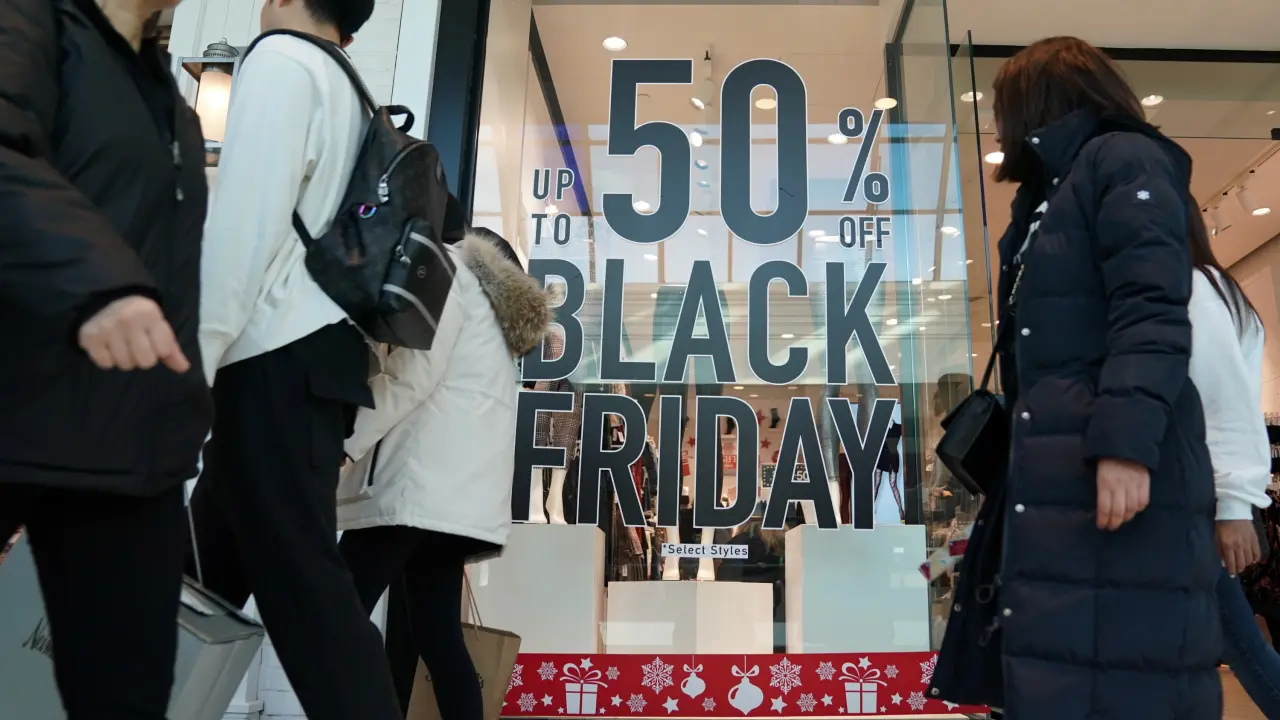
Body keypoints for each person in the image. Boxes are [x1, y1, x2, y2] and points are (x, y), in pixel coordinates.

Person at [988, 37, 1220, 717]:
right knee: (1065, 660)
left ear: (1033, 102)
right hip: (1061, 463)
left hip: (1107, 459)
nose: (999, 128)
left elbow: (1150, 306)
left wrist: (1125, 444)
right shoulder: (1047, 194)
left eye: (1003, 110)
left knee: (1123, 661)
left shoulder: (1122, 159)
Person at [185, 1, 404, 719]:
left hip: (273, 358)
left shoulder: (282, 61)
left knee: (306, 595)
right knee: (194, 577)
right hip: (318, 359)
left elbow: (243, 227)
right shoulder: (353, 93)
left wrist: (194, 360)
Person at [0, 0, 211, 716]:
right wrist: (99, 285)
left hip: (127, 440)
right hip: (16, 401)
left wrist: (184, 403)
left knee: (128, 696)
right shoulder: (35, 21)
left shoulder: (164, 93)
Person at [335, 227, 552, 718]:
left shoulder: (447, 276)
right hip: (456, 499)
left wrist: (345, 443)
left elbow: (410, 377)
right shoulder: (493, 313)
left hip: (416, 485)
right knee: (438, 636)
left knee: (336, 613)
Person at [1186, 242, 1280, 711]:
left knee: (1242, 643)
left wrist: (1233, 505)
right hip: (1205, 496)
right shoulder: (1216, 289)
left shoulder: (1195, 289)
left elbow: (1221, 406)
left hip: (1201, 499)